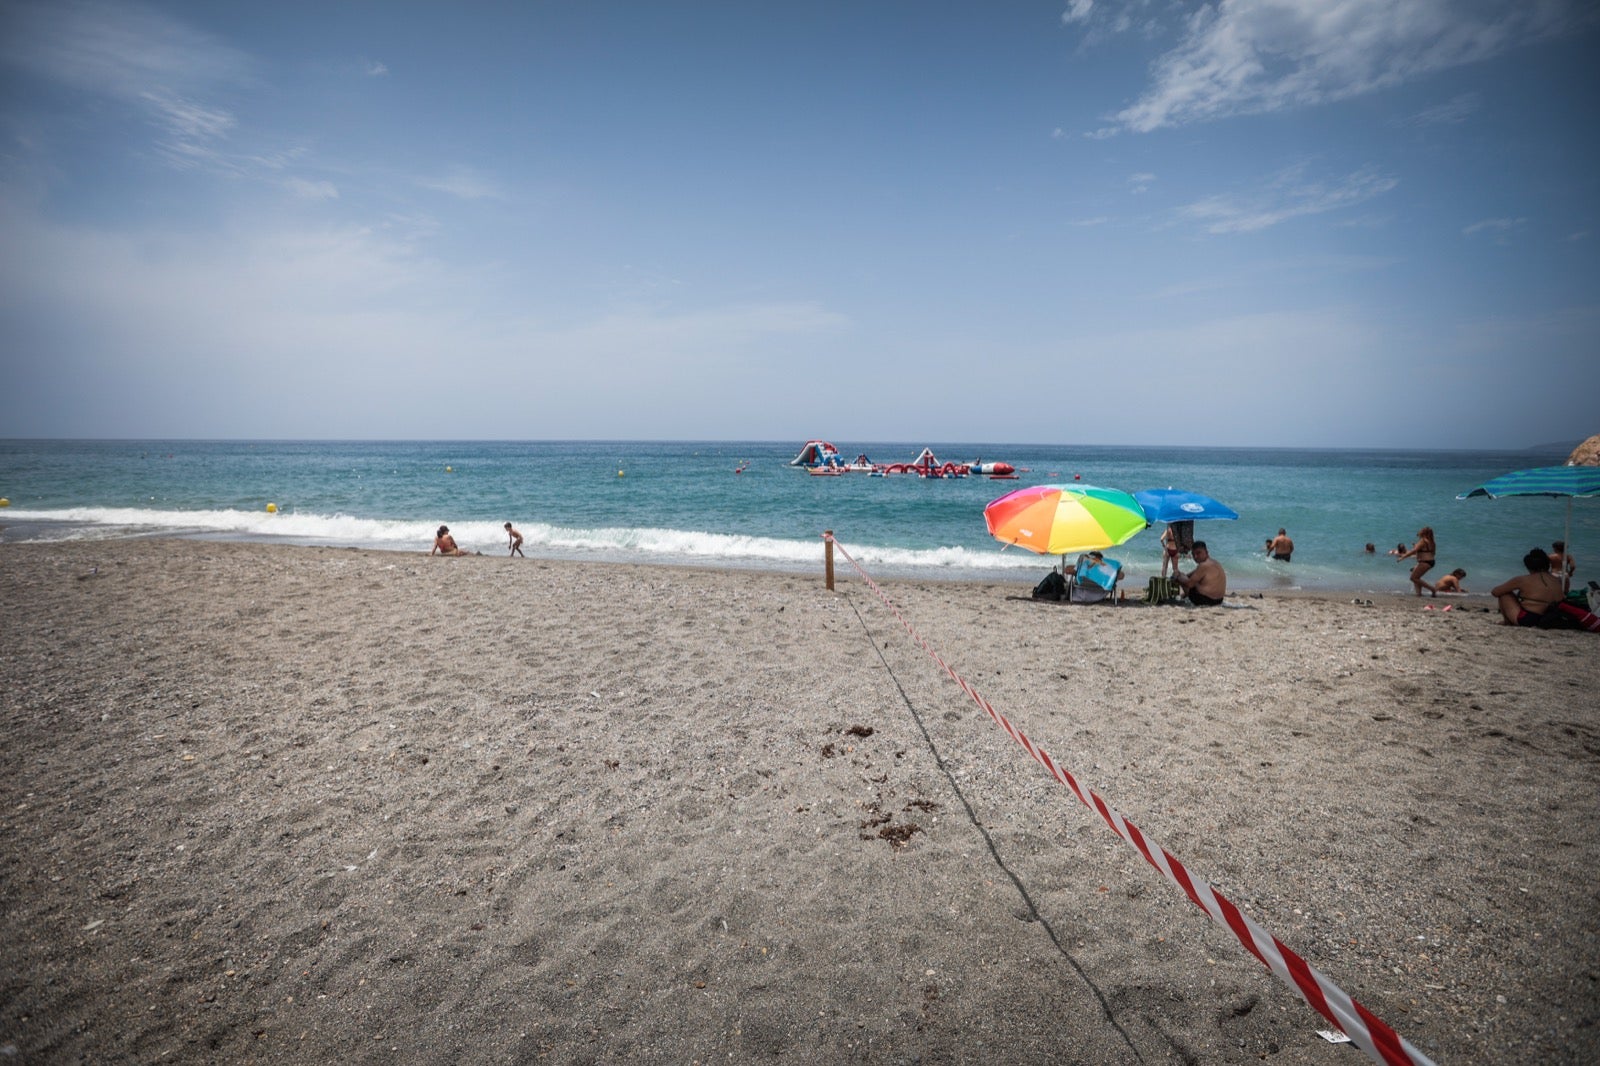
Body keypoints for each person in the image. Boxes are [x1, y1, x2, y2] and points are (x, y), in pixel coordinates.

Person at [1492, 548, 1564, 626]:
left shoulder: (1522, 580)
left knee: (1504, 595)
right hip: (1552, 618)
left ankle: (1507, 622)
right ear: (1547, 564)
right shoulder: (1557, 580)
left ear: (1528, 566)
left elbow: (1495, 592)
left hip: (1530, 619)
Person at [1173, 540, 1226, 606]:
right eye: (1193, 554)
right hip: (1219, 600)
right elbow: (1190, 575)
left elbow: (1189, 584)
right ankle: (1185, 595)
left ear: (1206, 552)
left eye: (1198, 553)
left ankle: (1185, 596)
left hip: (1206, 600)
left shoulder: (1203, 565)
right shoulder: (1214, 563)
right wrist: (1181, 575)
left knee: (1182, 578)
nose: (1195, 557)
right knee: (1185, 577)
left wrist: (1177, 577)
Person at [1397, 526, 1437, 596]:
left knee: (1413, 578)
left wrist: (1403, 557)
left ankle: (1432, 589)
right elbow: (1432, 553)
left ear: (1423, 532)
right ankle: (1418, 593)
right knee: (1416, 576)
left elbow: (1414, 551)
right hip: (1430, 561)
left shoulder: (1423, 540)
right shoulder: (1432, 542)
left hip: (1425, 562)